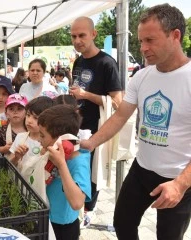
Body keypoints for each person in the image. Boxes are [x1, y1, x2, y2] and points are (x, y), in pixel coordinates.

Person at [81, 4, 191, 240]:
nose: (143, 48)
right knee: (122, 223)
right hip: (142, 170)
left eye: (150, 40)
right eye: (141, 41)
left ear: (175, 35)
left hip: (179, 177)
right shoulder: (141, 76)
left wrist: (181, 185)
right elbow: (120, 116)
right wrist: (90, 143)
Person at [69, 16, 123, 227]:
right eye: (73, 36)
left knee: (93, 170)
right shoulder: (78, 61)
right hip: (77, 124)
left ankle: (89, 209)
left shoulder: (107, 63)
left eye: (82, 35)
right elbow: (78, 89)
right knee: (77, 166)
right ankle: (78, 204)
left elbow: (118, 102)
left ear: (94, 34)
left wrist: (85, 94)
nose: (77, 40)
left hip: (98, 128)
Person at [38, 105, 91, 240]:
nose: (39, 139)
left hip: (63, 227)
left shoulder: (79, 163)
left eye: (42, 135)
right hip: (45, 218)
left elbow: (77, 203)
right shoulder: (49, 153)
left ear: (61, 141)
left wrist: (61, 164)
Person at [8, 96, 54, 169]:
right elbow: (9, 165)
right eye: (28, 115)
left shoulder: (49, 143)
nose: (29, 120)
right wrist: (16, 157)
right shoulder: (20, 137)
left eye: (36, 118)